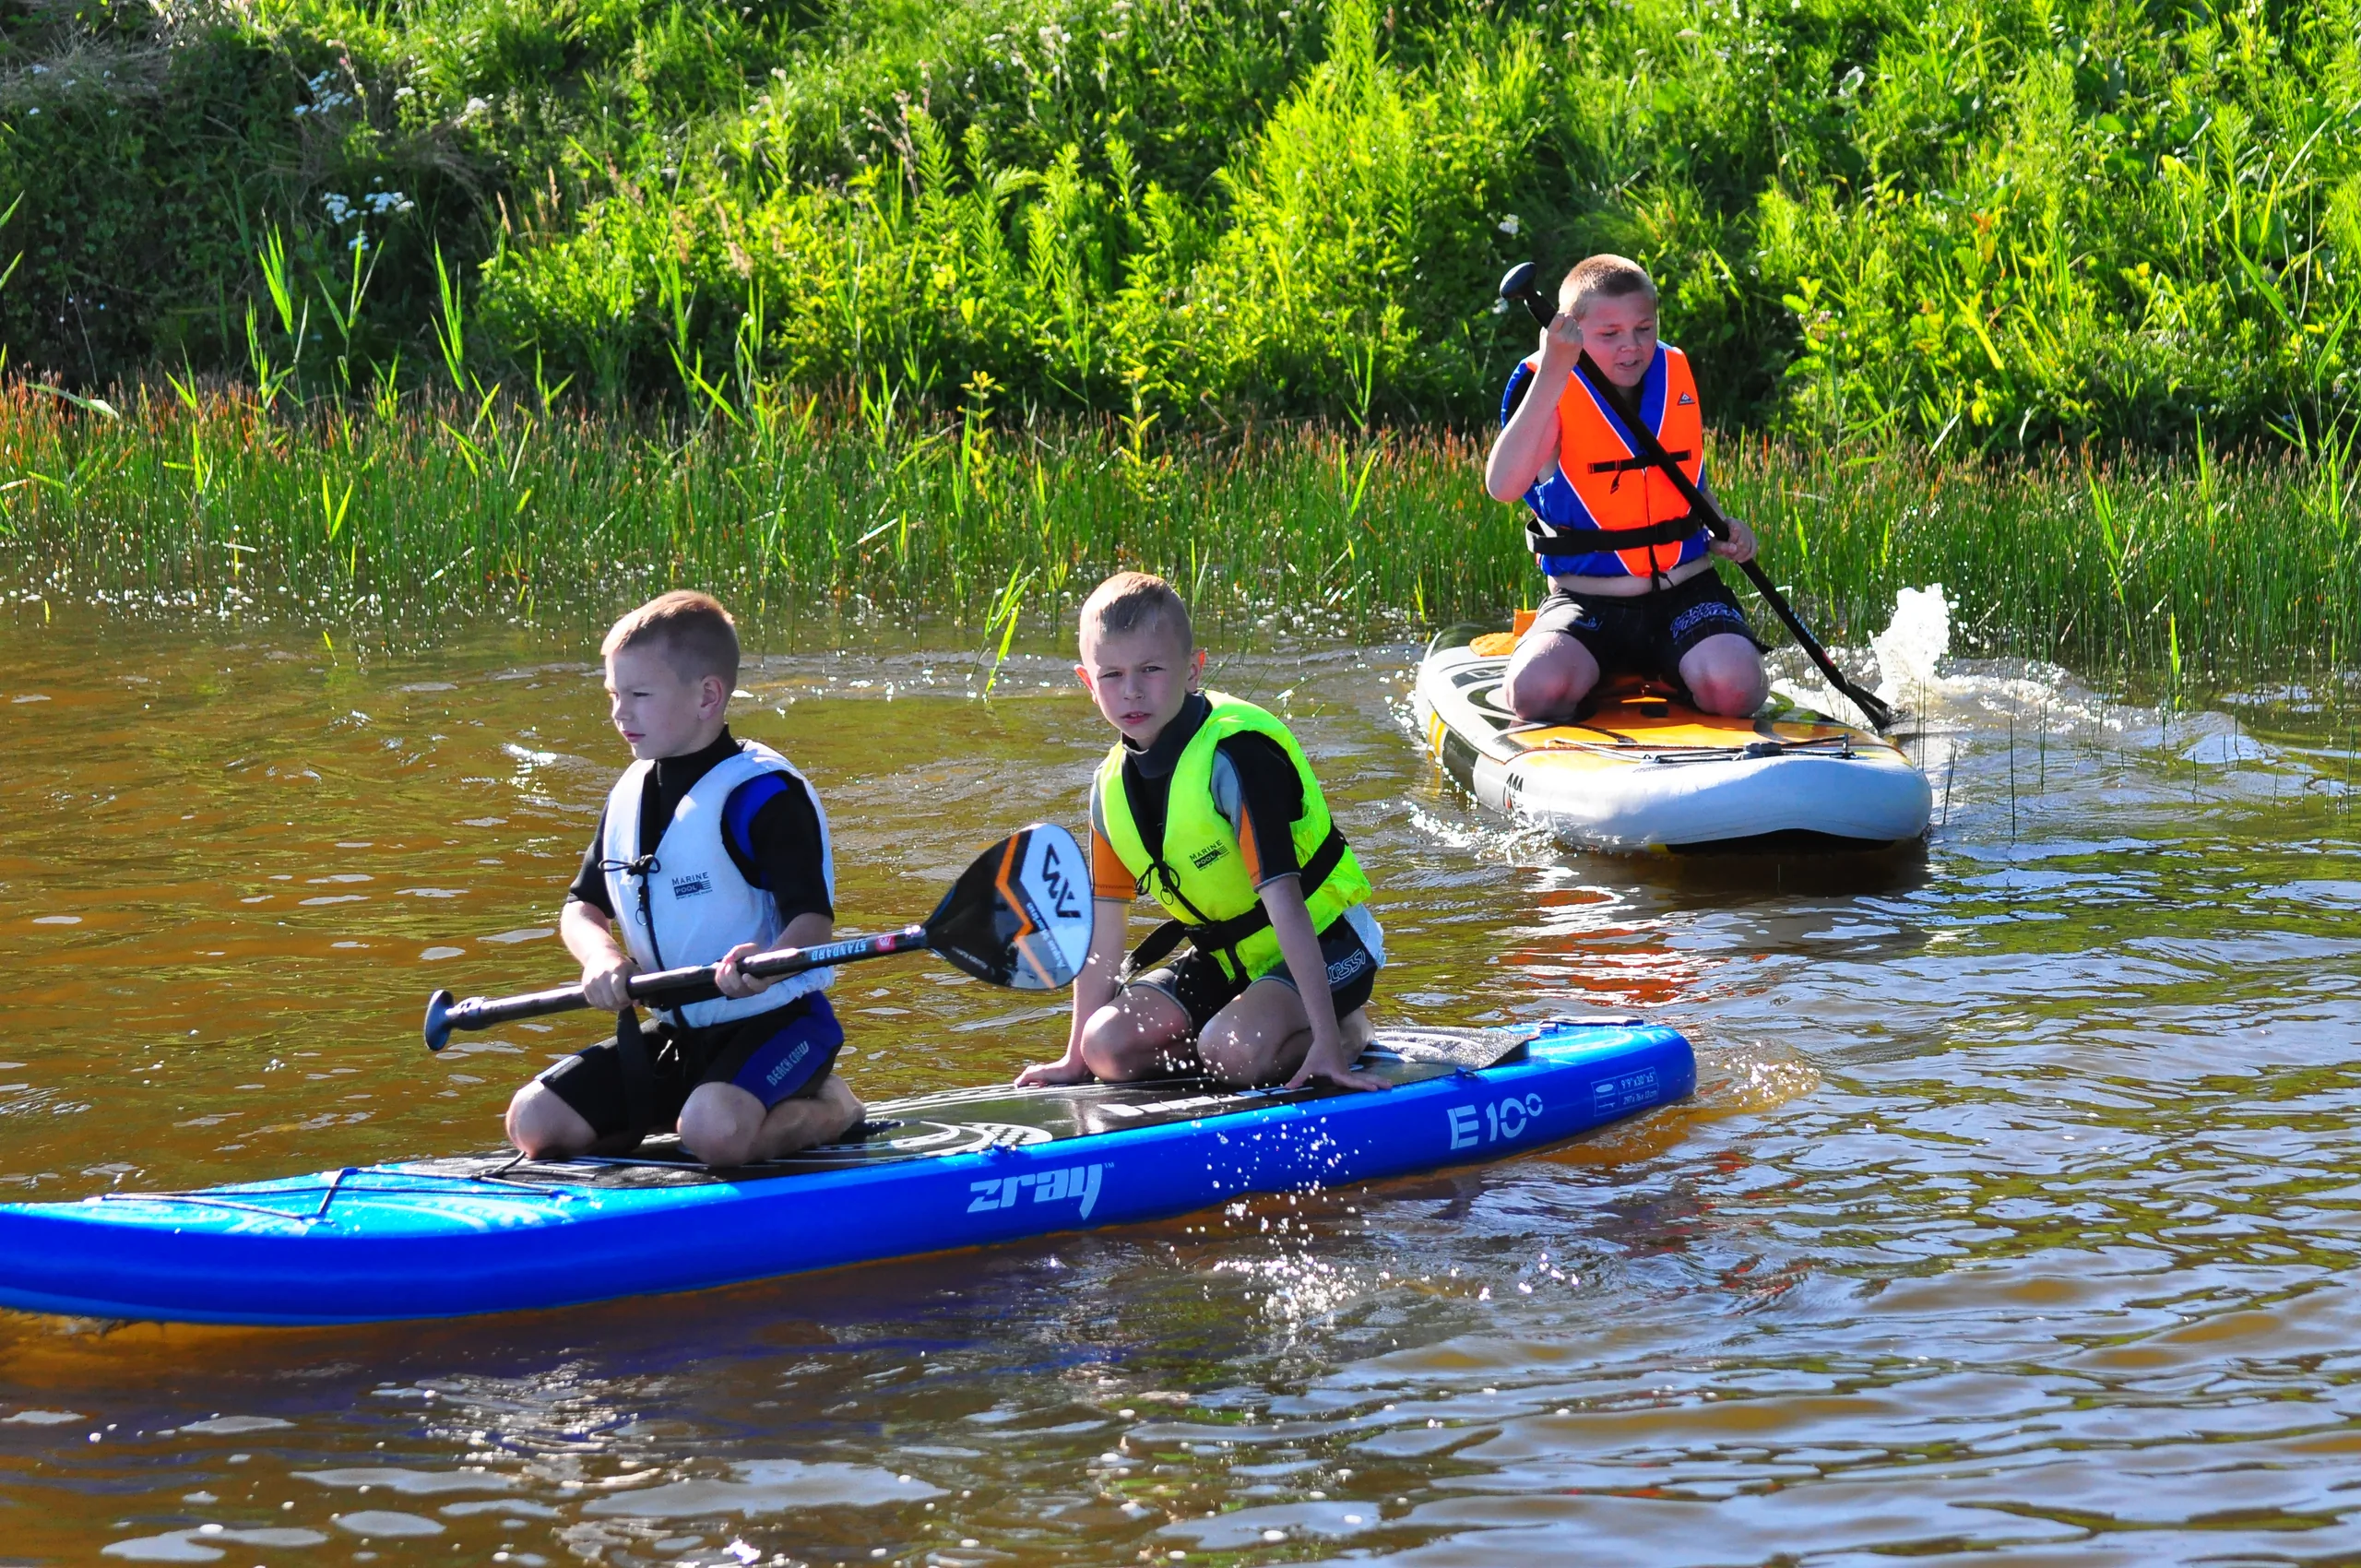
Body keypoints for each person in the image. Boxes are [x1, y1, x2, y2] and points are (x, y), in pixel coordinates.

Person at [504, 590, 862, 1166]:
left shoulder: (764, 796)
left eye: (640, 696)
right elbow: (581, 909)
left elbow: (813, 926)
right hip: (678, 1033)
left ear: (707, 696)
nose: (621, 714)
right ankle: (694, 1108)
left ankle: (834, 1108)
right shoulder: (628, 797)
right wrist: (601, 958)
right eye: (614, 695)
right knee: (533, 1121)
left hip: (779, 1026)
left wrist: (767, 967)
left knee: (714, 1134)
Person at [1016, 573, 1388, 1094]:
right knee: (1106, 1047)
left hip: (1328, 942)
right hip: (1227, 962)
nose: (1132, 691)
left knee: (1230, 1053)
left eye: (1151, 669)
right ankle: (1244, 1038)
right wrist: (1073, 1058)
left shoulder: (1236, 758)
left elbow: (1285, 901)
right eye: (1112, 675)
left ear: (1193, 670)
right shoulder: (1108, 790)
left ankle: (1345, 1029)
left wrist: (1327, 1045)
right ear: (1087, 682)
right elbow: (1105, 930)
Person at [1483, 253, 1771, 722]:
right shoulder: (1554, 385)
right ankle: (1602, 671)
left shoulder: (1670, 375)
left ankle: (1684, 666)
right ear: (1572, 333)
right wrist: (1556, 369)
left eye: (1644, 328)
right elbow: (1502, 485)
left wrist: (1726, 529)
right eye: (1609, 334)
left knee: (1736, 688)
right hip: (1589, 601)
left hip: (1684, 592)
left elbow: (1682, 481)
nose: (1631, 347)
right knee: (1535, 692)